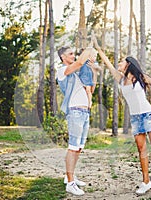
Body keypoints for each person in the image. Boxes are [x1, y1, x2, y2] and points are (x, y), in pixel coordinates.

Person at [92, 37, 151, 195]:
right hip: (135, 118)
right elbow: (106, 62)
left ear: (128, 64)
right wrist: (97, 47)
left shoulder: (140, 77)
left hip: (147, 115)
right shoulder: (120, 79)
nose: (118, 64)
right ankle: (146, 181)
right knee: (141, 149)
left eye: (121, 62)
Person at [56, 46, 92, 196]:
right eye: (71, 54)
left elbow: (89, 86)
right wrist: (89, 48)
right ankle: (70, 184)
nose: (74, 56)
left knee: (79, 148)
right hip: (75, 112)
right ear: (63, 57)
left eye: (74, 53)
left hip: (84, 112)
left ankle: (69, 176)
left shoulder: (76, 74)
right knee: (73, 147)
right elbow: (78, 63)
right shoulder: (62, 71)